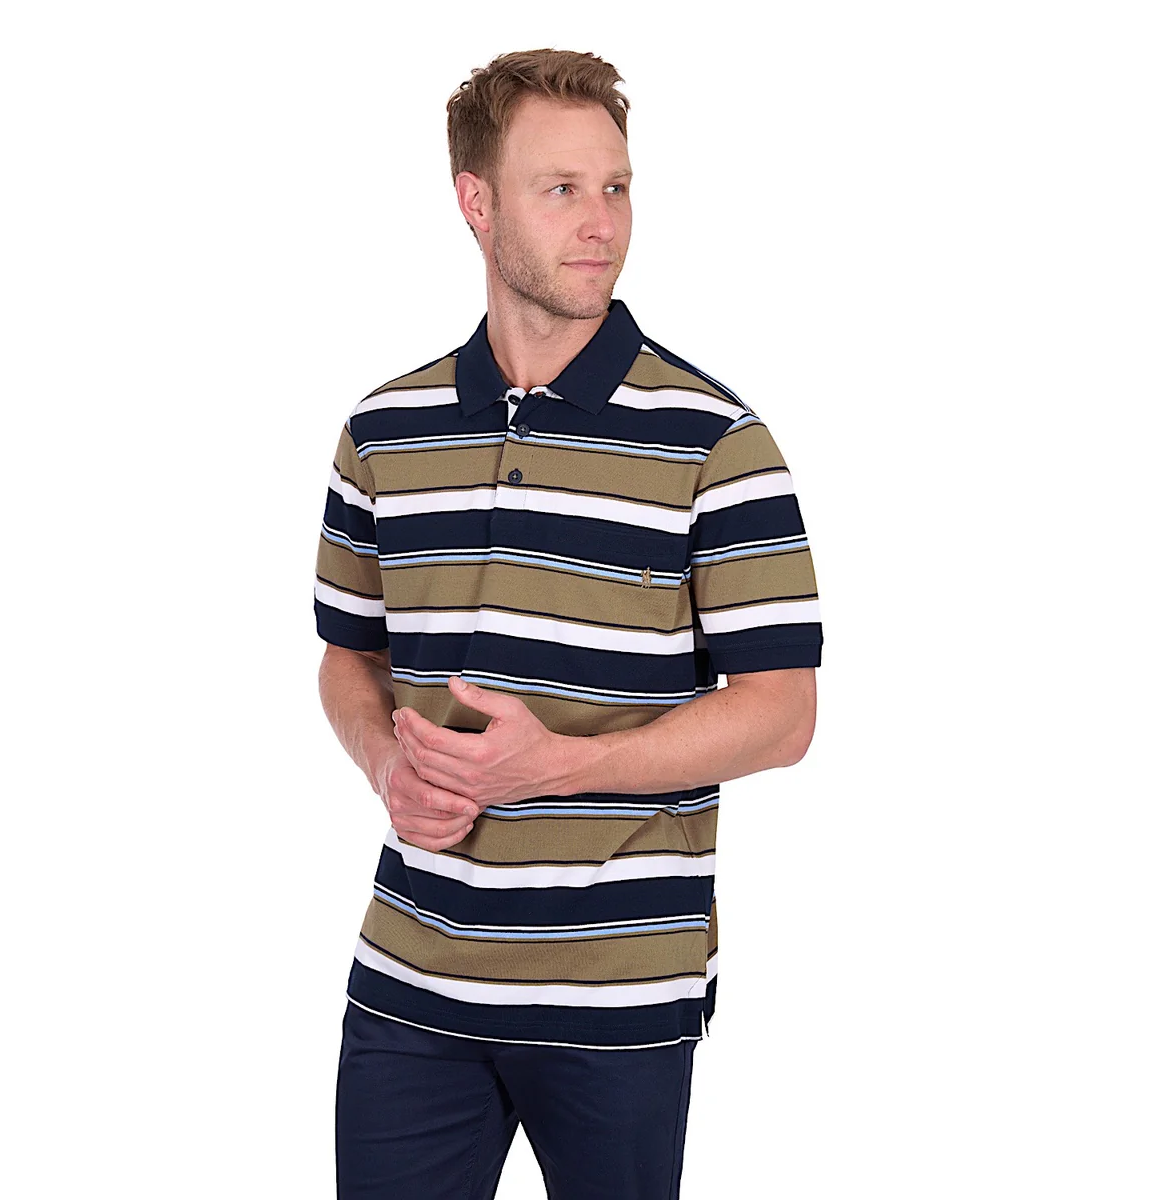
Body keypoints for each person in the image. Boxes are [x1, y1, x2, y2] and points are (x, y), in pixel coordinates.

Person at [314, 47, 823, 1200]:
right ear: (477, 201)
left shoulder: (718, 442)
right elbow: (349, 658)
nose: (602, 222)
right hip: (410, 984)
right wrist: (385, 762)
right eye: (561, 189)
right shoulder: (384, 432)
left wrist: (561, 767)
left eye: (617, 187)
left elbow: (783, 713)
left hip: (617, 997)